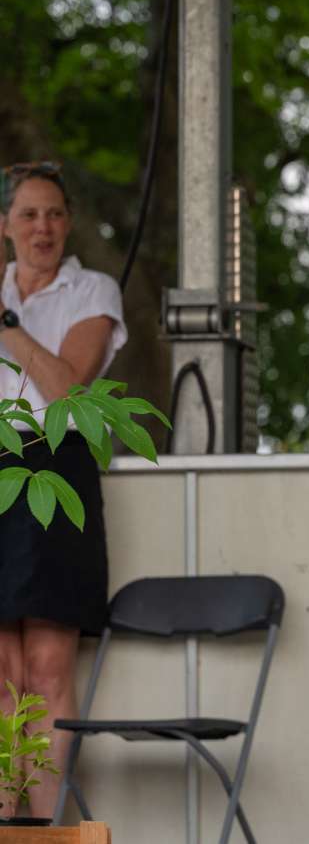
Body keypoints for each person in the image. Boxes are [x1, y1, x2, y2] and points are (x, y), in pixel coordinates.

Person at [0, 161, 127, 819]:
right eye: (28, 214)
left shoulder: (91, 290)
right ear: (4, 226)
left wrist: (7, 322)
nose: (43, 227)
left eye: (54, 213)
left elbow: (67, 394)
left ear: (69, 222)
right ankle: (4, 820)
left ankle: (43, 829)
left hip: (54, 466)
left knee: (47, 668)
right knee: (0, 674)